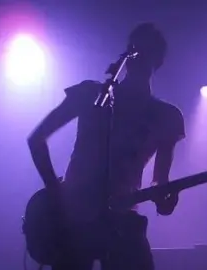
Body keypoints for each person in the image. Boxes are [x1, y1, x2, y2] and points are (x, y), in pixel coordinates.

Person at [27, 23, 185, 270]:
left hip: (121, 221)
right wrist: (56, 192)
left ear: (159, 60)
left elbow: (160, 181)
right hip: (73, 219)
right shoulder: (92, 93)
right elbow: (37, 139)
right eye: (134, 48)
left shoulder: (166, 116)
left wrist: (166, 200)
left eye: (146, 50)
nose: (138, 55)